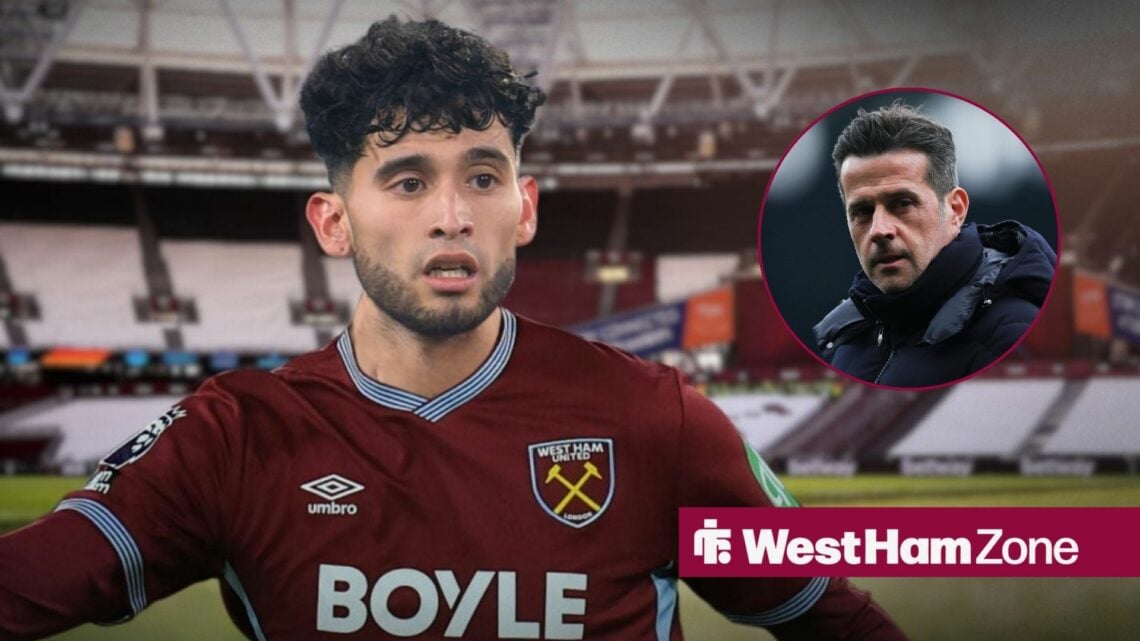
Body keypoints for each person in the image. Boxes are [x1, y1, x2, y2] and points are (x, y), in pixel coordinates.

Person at [0, 17, 905, 640]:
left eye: (481, 175)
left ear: (525, 208)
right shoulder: (235, 438)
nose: (451, 215)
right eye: (405, 180)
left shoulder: (653, 419)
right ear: (333, 221)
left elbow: (839, 619)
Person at [813, 102, 1056, 387]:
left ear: (955, 209)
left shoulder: (1013, 336)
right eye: (862, 212)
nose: (879, 230)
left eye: (902, 204)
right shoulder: (846, 344)